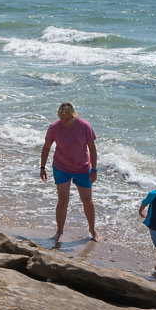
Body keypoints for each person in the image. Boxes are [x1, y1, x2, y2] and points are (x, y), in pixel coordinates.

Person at [39, 102, 100, 242]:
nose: (63, 121)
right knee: (63, 200)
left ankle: (92, 230)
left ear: (73, 116)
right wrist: (42, 167)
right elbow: (47, 147)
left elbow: (92, 148)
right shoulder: (54, 128)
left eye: (66, 118)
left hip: (82, 168)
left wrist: (94, 169)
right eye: (61, 118)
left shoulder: (84, 126)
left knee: (87, 201)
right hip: (61, 167)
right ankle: (59, 232)